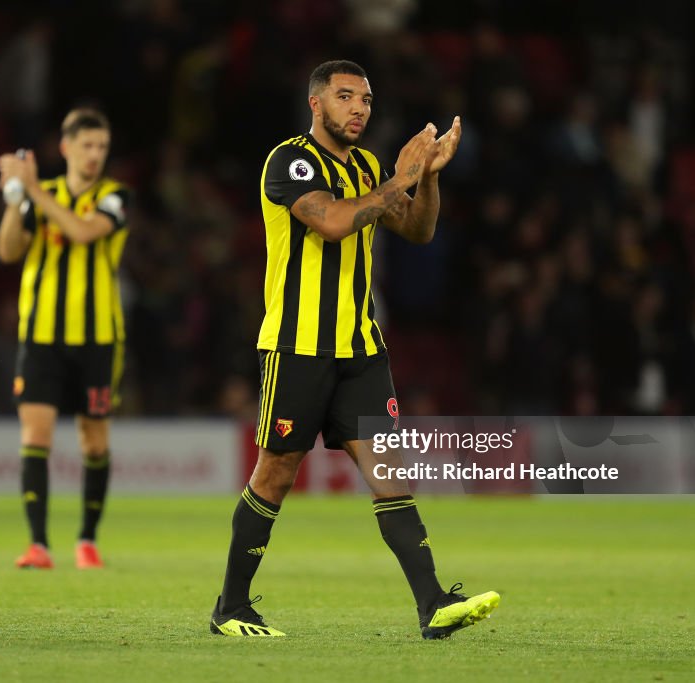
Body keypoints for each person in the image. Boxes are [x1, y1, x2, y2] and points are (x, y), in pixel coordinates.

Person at [209, 61, 500, 640]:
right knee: (275, 475)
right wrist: (401, 177)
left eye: (365, 99)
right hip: (297, 347)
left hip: (361, 349)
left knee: (388, 472)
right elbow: (336, 222)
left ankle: (433, 605)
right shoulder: (289, 161)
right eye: (345, 98)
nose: (358, 109)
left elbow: (417, 231)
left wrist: (430, 176)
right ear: (316, 104)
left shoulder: (367, 166)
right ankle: (231, 608)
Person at [0, 107, 130, 570]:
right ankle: (38, 545)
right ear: (66, 148)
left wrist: (30, 189)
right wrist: (16, 199)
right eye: (88, 145)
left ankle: (87, 540)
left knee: (94, 441)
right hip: (41, 337)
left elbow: (83, 232)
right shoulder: (41, 195)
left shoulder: (115, 196)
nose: (95, 155)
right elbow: (7, 250)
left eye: (102, 147)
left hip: (97, 340)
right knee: (36, 434)